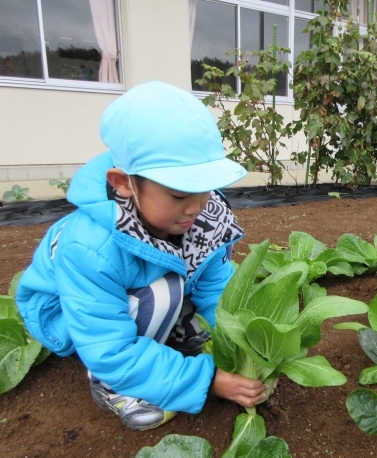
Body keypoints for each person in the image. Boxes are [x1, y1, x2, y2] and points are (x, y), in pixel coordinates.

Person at [16, 81, 269, 431]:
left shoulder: (198, 216)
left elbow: (216, 290)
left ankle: (169, 346)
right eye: (180, 194)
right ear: (123, 183)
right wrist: (208, 380)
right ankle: (111, 385)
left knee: (192, 290)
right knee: (162, 289)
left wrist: (244, 349)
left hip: (136, 298)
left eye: (204, 189)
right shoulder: (89, 247)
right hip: (72, 318)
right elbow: (109, 347)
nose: (196, 207)